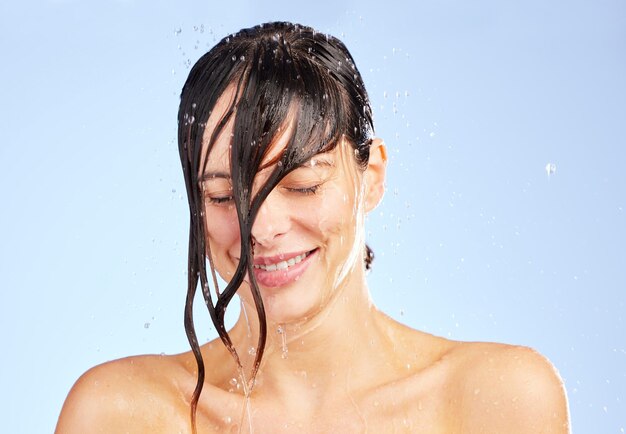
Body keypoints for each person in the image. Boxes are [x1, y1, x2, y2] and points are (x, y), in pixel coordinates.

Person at [56, 22, 569, 433]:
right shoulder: (120, 415)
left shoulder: (496, 401)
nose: (261, 226)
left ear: (371, 178)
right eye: (221, 195)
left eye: (301, 184)